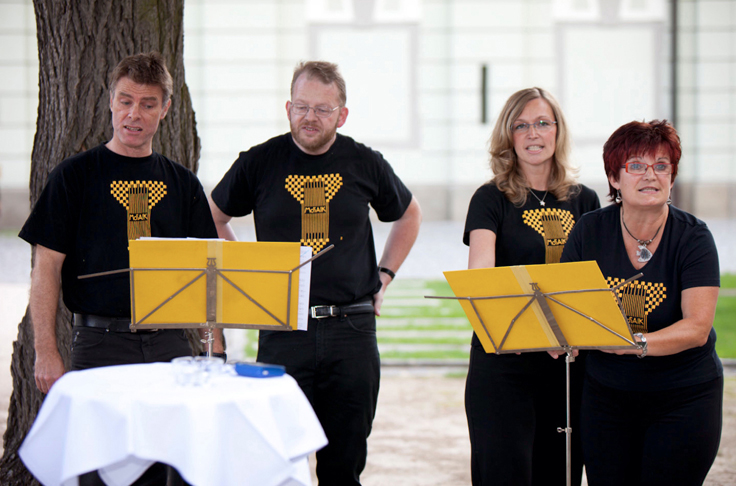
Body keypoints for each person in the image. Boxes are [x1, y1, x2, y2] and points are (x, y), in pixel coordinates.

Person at [209, 60, 422, 485]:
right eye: (302, 106)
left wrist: (385, 275)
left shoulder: (364, 162)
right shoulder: (259, 162)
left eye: (323, 109)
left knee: (344, 464)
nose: (310, 117)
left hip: (352, 331)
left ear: (341, 116)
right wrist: (249, 275)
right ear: (288, 107)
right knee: (276, 462)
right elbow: (212, 217)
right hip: (282, 328)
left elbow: (409, 215)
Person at [19, 52, 223, 485]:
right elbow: (46, 269)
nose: (135, 114)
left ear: (165, 109)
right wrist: (46, 350)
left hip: (171, 345)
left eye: (148, 103)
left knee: (173, 466)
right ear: (110, 102)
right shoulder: (74, 176)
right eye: (126, 100)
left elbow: (210, 272)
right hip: (98, 343)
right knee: (100, 468)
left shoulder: (183, 183)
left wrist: (215, 347)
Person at [561, 120, 722, 485]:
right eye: (636, 165)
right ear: (615, 179)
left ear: (671, 177)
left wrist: (632, 345)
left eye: (661, 165)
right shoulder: (589, 230)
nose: (650, 175)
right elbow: (568, 306)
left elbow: (697, 328)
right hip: (607, 396)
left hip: (684, 396)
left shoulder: (694, 237)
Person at [463, 87, 600, 485]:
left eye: (542, 123)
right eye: (521, 125)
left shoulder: (584, 200)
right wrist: (535, 334)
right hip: (504, 363)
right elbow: (480, 281)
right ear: (509, 136)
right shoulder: (490, 199)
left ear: (558, 131)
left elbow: (594, 281)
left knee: (559, 473)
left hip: (567, 365)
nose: (533, 133)